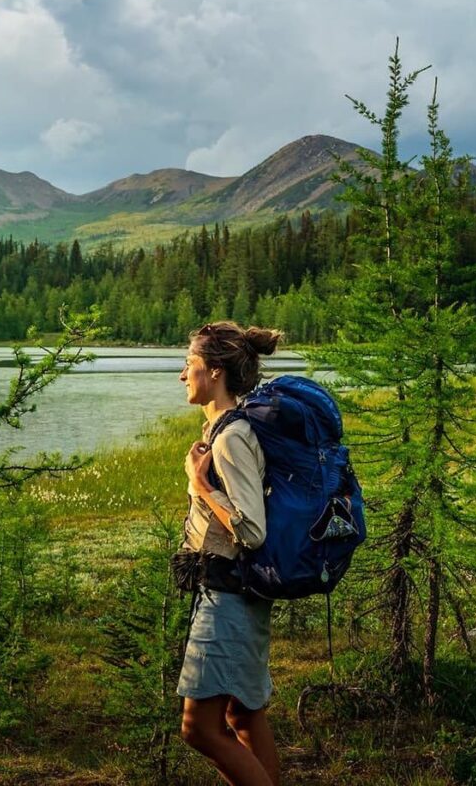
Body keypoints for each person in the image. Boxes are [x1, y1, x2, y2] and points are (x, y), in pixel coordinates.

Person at [177, 320, 282, 786]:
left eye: (190, 365)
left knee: (198, 727)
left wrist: (200, 485)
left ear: (214, 371)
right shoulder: (224, 430)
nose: (183, 376)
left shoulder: (231, 437)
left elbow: (252, 529)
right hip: (236, 594)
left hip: (229, 597)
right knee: (242, 717)